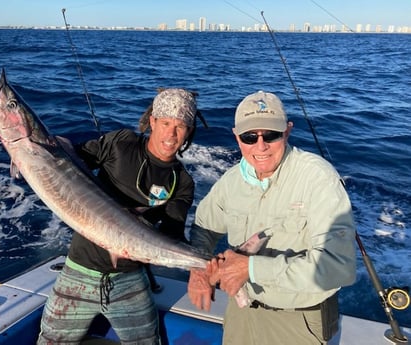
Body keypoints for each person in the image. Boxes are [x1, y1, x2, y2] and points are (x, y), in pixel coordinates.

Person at [187, 91, 357, 345]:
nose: (260, 145)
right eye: (249, 137)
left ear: (287, 132)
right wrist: (199, 272)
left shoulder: (318, 178)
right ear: (236, 137)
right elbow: (204, 227)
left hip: (297, 321)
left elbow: (339, 267)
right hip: (241, 313)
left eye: (271, 134)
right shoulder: (231, 180)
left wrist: (251, 268)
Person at [38, 88, 205, 344]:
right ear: (152, 122)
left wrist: (202, 265)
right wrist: (42, 147)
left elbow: (172, 234)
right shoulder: (120, 143)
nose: (171, 134)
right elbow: (70, 161)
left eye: (181, 126)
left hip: (129, 278)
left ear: (189, 131)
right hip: (78, 270)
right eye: (166, 123)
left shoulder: (181, 181)